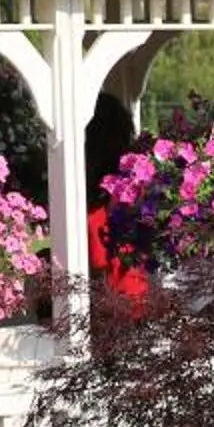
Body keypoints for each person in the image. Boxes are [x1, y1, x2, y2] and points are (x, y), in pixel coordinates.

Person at [82, 93, 149, 301]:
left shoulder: (122, 186)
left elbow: (98, 264)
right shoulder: (132, 177)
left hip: (115, 303)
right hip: (131, 295)